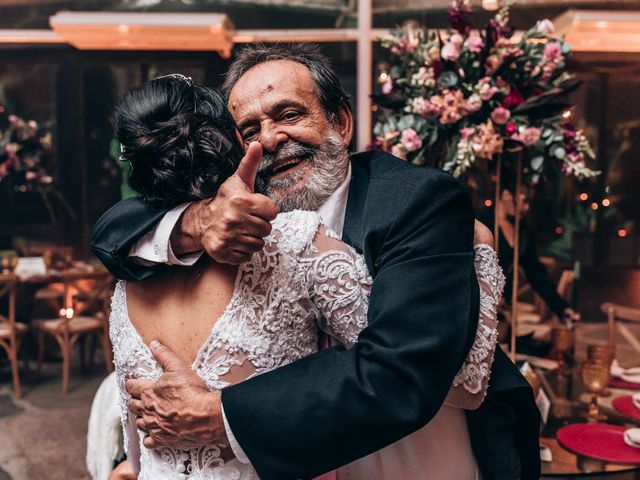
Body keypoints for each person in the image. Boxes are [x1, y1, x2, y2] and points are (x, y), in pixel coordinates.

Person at [92, 44, 540, 480]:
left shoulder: (415, 201)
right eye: (249, 130)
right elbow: (115, 229)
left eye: (288, 114)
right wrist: (197, 221)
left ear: (340, 122)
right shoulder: (244, 204)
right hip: (292, 458)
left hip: (416, 455)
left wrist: (219, 415)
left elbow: (406, 370)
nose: (270, 139)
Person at [482, 189, 580, 325]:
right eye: (524, 201)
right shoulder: (482, 222)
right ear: (506, 195)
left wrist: (562, 308)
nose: (527, 208)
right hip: (479, 308)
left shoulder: (521, 231)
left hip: (501, 313)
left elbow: (536, 274)